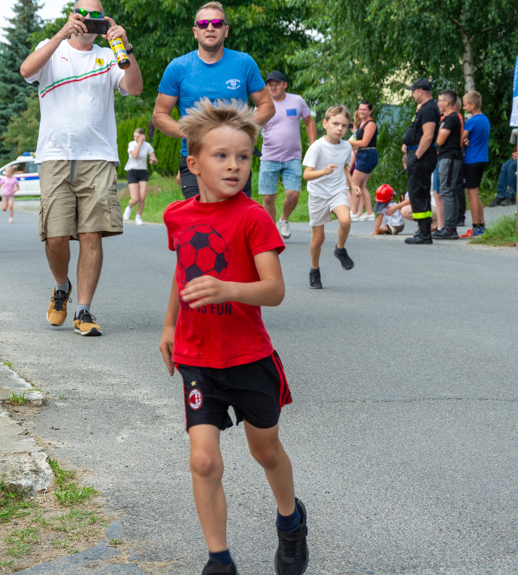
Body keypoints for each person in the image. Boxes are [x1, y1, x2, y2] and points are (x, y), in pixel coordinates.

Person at [159, 99, 308, 575]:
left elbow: (275, 290)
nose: (234, 165)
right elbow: (183, 272)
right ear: (194, 163)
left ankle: (290, 520)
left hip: (248, 357)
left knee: (265, 450)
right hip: (198, 357)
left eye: (243, 157)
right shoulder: (177, 215)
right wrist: (169, 325)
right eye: (221, 156)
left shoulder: (253, 218)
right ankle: (218, 560)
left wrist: (227, 288)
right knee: (203, 462)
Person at [20, 0, 143, 337]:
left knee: (91, 233)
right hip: (56, 155)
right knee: (56, 236)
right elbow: (27, 71)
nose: (89, 22)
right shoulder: (52, 49)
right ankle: (62, 287)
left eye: (96, 17)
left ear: (105, 21)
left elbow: (134, 88)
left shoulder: (109, 56)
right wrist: (60, 35)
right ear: (72, 16)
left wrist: (125, 44)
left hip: (98, 156)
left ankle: (84, 311)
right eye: (83, 15)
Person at [153, 2, 275, 199]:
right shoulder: (178, 67)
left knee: (236, 225)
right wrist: (189, 131)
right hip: (196, 159)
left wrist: (240, 127)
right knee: (202, 226)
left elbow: (267, 106)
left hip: (235, 159)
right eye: (203, 24)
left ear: (225, 31)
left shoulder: (244, 63)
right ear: (195, 31)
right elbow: (159, 115)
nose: (210, 28)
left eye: (217, 23)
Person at [303, 105, 359, 289]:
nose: (340, 128)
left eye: (344, 125)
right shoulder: (317, 147)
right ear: (325, 123)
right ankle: (314, 270)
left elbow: (344, 167)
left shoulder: (346, 146)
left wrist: (352, 183)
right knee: (318, 239)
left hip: (337, 191)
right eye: (335, 124)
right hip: (318, 194)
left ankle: (340, 249)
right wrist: (323, 172)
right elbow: (307, 175)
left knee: (345, 220)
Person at [258, 70, 316, 239]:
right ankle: (271, 231)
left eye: (276, 83)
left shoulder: (297, 101)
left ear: (285, 84)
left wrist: (313, 146)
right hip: (269, 157)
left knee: (293, 194)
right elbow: (253, 126)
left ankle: (284, 219)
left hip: (293, 157)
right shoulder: (262, 104)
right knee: (268, 197)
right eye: (270, 84)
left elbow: (309, 122)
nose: (273, 87)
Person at [402, 79, 440, 245]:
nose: (412, 94)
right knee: (417, 193)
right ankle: (423, 231)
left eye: (413, 91)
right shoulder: (426, 108)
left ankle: (425, 234)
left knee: (419, 193)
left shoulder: (430, 109)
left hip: (422, 156)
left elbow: (428, 135)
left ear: (421, 91)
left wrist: (416, 156)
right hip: (418, 154)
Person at [433, 89, 464, 240]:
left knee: (447, 191)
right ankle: (450, 226)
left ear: (446, 102)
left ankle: (450, 227)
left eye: (439, 101)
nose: (437, 103)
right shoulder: (447, 118)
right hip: (448, 158)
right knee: (449, 191)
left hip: (450, 158)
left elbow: (439, 140)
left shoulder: (451, 118)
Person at [459, 90, 490, 238]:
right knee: (476, 194)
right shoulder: (485, 120)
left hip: (471, 160)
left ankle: (476, 226)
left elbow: (461, 140)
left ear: (472, 105)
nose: (464, 108)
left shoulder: (471, 121)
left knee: (472, 195)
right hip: (482, 158)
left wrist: (463, 142)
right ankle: (481, 225)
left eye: (465, 106)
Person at [348, 101, 379, 221]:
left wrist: (348, 142)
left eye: (364, 109)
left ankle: (354, 213)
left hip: (368, 155)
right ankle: (370, 213)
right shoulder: (361, 123)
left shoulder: (370, 124)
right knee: (362, 185)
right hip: (362, 154)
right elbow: (358, 142)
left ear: (370, 111)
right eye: (360, 109)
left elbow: (365, 142)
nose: (361, 111)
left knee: (354, 184)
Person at [123, 127, 158, 225]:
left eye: (138, 137)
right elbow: (135, 155)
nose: (135, 138)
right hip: (132, 171)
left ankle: (138, 217)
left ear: (143, 136)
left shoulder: (147, 146)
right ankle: (129, 208)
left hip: (143, 172)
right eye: (134, 136)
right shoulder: (132, 144)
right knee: (135, 198)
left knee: (142, 197)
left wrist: (153, 160)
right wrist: (139, 143)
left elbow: (153, 158)